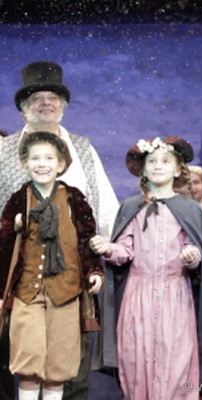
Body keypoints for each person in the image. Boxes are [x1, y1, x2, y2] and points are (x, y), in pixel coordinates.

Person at [0, 60, 119, 400]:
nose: (45, 104)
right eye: (36, 98)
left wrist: (102, 254)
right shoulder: (5, 151)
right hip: (19, 274)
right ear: (24, 108)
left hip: (70, 274)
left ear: (62, 106)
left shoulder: (82, 148)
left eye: (52, 98)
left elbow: (103, 205)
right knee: (19, 358)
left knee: (70, 363)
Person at [89, 136, 202, 399]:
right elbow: (125, 250)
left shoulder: (190, 209)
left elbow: (197, 250)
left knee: (175, 361)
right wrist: (108, 248)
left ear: (177, 170)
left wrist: (191, 256)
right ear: (143, 169)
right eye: (152, 161)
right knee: (136, 360)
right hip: (137, 299)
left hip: (176, 298)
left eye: (165, 161)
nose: (158, 166)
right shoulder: (132, 208)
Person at [0, 132, 103, 400]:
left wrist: (94, 271)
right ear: (25, 164)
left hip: (65, 292)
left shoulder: (73, 199)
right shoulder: (19, 199)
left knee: (58, 365)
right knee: (29, 361)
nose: (42, 164)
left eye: (49, 158)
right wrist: (15, 227)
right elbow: (4, 247)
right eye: (35, 158)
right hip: (27, 293)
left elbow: (86, 240)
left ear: (61, 164)